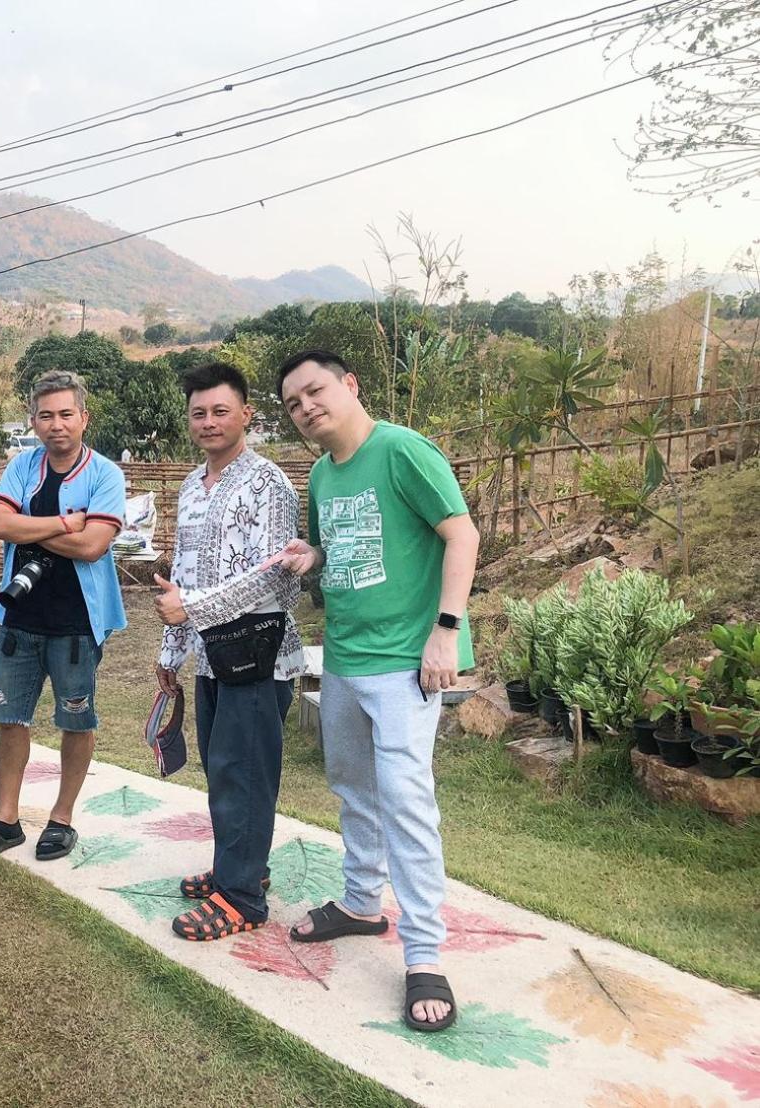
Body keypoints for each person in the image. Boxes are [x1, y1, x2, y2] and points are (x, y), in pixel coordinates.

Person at [270, 350, 477, 1033]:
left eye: (315, 391)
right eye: (293, 403)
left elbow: (461, 535)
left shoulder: (402, 451)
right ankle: (362, 902)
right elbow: (338, 550)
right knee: (352, 785)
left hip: (404, 663)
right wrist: (311, 556)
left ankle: (425, 956)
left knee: (405, 799)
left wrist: (446, 631)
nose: (306, 408)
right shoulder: (322, 475)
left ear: (349, 385)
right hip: (345, 658)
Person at [150, 362, 305, 941]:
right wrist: (172, 652)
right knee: (223, 770)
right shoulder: (192, 486)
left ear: (246, 414)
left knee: (245, 775)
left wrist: (191, 609)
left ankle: (241, 899)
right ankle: (238, 871)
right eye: (199, 413)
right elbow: (181, 577)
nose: (209, 422)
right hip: (212, 657)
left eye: (221, 410)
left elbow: (277, 576)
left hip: (259, 655)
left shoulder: (270, 484)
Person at [0, 370, 127, 863]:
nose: (56, 425)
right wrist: (63, 524)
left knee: (76, 721)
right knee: (10, 718)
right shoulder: (22, 465)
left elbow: (93, 545)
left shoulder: (105, 474)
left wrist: (29, 529)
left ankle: (61, 817)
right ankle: (6, 819)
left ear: (84, 418)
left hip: (78, 620)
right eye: (46, 415)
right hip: (19, 616)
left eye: (66, 414)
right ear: (33, 420)